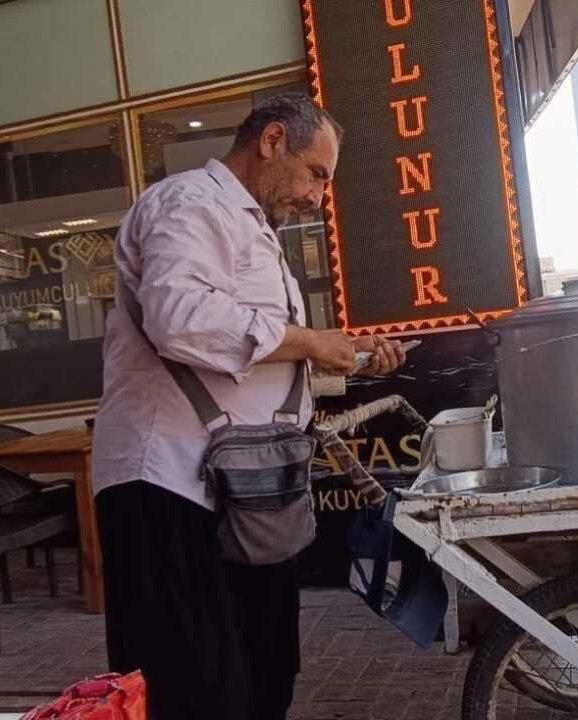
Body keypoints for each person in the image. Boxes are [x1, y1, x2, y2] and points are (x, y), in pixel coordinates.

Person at [91, 93, 406, 720]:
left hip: (244, 484)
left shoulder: (250, 224)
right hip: (169, 480)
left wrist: (344, 354)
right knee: (192, 686)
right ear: (271, 141)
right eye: (317, 174)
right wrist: (312, 340)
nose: (318, 197)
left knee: (267, 670)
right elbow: (181, 320)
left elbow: (256, 345)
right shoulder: (188, 203)